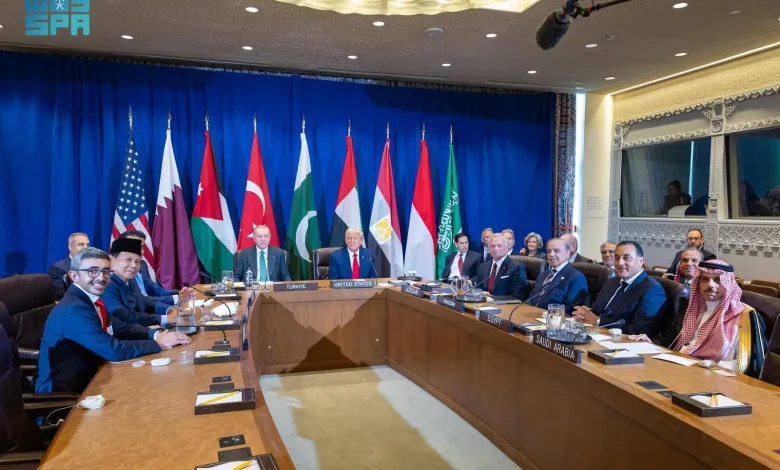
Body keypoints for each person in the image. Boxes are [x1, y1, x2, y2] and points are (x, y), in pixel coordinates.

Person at [36, 247, 190, 393]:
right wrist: (159, 343)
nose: (101, 277)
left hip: (96, 375)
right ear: (74, 276)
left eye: (105, 271)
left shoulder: (89, 299)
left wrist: (156, 335)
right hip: (67, 391)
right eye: (92, 271)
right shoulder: (74, 309)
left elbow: (118, 327)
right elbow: (114, 351)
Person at [630, 260, 766, 375]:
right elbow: (673, 342)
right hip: (681, 369)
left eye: (717, 280)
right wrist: (651, 343)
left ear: (728, 283)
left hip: (717, 377)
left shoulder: (745, 316)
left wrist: (706, 366)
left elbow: (747, 364)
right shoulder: (692, 308)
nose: (710, 285)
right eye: (704, 279)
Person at [573, 241, 666, 336]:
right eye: (617, 258)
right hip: (594, 333)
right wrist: (585, 313)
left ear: (641, 261)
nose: (620, 263)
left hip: (621, 341)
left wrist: (599, 321)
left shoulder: (652, 290)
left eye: (627, 258)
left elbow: (640, 330)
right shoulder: (611, 282)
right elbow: (597, 311)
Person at [101, 239, 187, 326]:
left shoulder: (131, 280)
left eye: (137, 262)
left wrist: (169, 309)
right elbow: (124, 316)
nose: (133, 265)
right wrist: (165, 319)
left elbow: (144, 302)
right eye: (128, 259)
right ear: (111, 259)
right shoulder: (106, 284)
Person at [525, 238, 588, 314]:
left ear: (567, 254)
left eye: (556, 251)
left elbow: (571, 308)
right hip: (531, 315)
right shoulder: (543, 275)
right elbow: (531, 299)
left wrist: (545, 315)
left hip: (554, 318)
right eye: (549, 251)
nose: (551, 254)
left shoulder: (576, 277)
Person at [119, 230, 177, 306]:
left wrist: (180, 293)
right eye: (133, 246)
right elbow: (140, 300)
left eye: (141, 247)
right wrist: (176, 299)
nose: (139, 251)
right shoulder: (120, 271)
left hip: (153, 306)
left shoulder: (142, 265)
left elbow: (156, 290)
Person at [475, 234, 528, 300]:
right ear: (488, 248)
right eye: (492, 246)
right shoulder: (483, 267)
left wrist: (492, 299)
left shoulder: (516, 267)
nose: (496, 249)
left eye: (499, 245)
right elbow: (478, 290)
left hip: (505, 305)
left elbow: (518, 295)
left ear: (507, 247)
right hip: (483, 304)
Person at [47, 232, 90, 301]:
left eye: (87, 245)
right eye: (81, 244)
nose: (85, 248)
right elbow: (59, 294)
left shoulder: (93, 266)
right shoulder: (58, 268)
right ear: (70, 247)